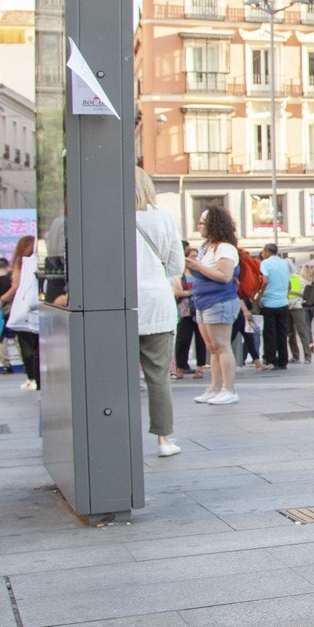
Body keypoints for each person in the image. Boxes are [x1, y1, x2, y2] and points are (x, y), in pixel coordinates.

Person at [135, 169, 184, 458]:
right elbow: (177, 266)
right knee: (159, 377)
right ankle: (164, 439)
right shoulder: (163, 217)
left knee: (119, 377)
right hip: (158, 305)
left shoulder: (112, 216)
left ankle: (119, 437)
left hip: (122, 305)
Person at [185, 205, 242, 406]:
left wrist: (198, 266)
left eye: (202, 223)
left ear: (212, 225)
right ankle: (215, 388)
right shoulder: (207, 247)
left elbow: (225, 276)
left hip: (219, 302)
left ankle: (229, 389)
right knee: (213, 347)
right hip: (204, 302)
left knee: (221, 346)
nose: (199, 226)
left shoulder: (224, 248)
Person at [4, 235, 41, 390]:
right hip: (38, 307)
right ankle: (38, 379)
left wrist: (2, 299)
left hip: (23, 310)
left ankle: (31, 377)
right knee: (38, 346)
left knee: (26, 346)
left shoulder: (21, 263)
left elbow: (16, 285)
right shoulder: (38, 261)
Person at [172, 246, 206, 381]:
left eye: (196, 256)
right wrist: (191, 292)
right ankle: (180, 367)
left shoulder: (200, 273)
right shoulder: (180, 274)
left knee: (201, 339)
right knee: (183, 339)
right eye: (191, 256)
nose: (194, 259)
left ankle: (200, 367)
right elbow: (177, 292)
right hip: (185, 310)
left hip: (199, 308)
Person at [257, 243, 291, 370]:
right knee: (282, 332)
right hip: (283, 303)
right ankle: (283, 360)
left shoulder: (265, 263)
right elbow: (289, 284)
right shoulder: (284, 263)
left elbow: (264, 281)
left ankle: (271, 358)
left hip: (269, 302)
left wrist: (260, 295)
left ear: (266, 251)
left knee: (270, 332)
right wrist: (285, 296)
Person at [286, 256, 309, 364]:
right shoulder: (289, 277)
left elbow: (296, 292)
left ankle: (306, 356)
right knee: (291, 333)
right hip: (290, 307)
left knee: (300, 332)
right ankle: (296, 355)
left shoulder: (294, 278)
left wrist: (288, 290)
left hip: (296, 307)